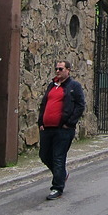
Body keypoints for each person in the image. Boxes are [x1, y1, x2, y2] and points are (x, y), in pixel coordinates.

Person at [38, 60, 85, 200]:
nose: (58, 71)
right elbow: (44, 104)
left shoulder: (74, 86)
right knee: (44, 155)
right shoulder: (52, 86)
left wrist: (69, 123)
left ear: (68, 70)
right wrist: (41, 122)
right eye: (56, 69)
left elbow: (80, 105)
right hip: (47, 128)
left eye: (60, 69)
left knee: (58, 157)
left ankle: (57, 187)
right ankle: (62, 174)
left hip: (63, 130)